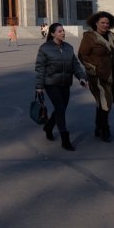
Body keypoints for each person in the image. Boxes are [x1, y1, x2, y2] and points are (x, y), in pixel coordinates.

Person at [35, 23, 88, 151]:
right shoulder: (45, 48)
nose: (63, 33)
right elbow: (40, 68)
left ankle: (49, 126)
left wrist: (82, 77)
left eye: (63, 31)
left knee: (62, 108)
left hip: (65, 83)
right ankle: (65, 139)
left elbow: (75, 64)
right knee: (60, 108)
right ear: (52, 33)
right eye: (59, 31)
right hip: (51, 83)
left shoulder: (68, 47)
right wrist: (39, 86)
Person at [78, 11, 114, 143]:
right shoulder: (89, 37)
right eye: (102, 23)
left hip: (112, 75)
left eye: (107, 23)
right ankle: (105, 129)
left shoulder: (111, 36)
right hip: (97, 77)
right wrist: (93, 68)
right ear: (96, 23)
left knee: (103, 103)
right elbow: (82, 55)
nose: (105, 25)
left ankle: (98, 127)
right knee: (106, 103)